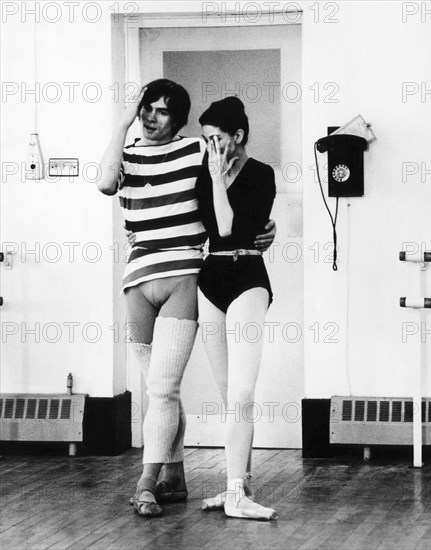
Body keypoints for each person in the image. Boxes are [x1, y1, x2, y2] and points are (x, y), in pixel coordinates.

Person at [97, 79, 276, 518]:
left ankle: (155, 485)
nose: (149, 116)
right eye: (145, 109)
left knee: (172, 387)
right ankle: (176, 473)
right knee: (163, 389)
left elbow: (234, 208)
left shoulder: (199, 151)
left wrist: (265, 230)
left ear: (177, 121)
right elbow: (104, 183)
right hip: (147, 275)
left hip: (192, 275)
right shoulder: (132, 153)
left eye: (161, 111)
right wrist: (121, 124)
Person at [196, 97, 278, 521]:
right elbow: (202, 229)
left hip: (247, 275)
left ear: (238, 136)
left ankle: (234, 494)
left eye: (218, 139)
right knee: (228, 394)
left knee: (243, 393)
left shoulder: (261, 174)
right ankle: (237, 484)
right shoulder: (203, 174)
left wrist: (216, 179)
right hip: (210, 281)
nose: (211, 147)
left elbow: (227, 227)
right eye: (205, 139)